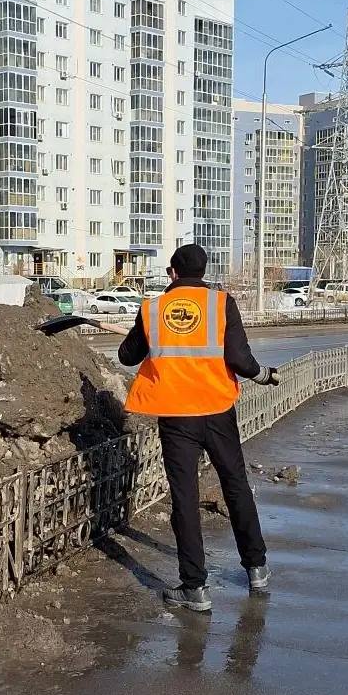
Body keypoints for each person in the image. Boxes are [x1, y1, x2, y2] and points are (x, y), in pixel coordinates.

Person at [118, 243, 279, 612]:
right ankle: (256, 568)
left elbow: (127, 356)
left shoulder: (153, 309)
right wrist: (263, 375)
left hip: (176, 416)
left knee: (185, 497)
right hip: (217, 409)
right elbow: (239, 359)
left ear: (172, 273)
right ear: (203, 272)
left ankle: (195, 588)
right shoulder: (222, 303)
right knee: (235, 484)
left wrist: (141, 333)